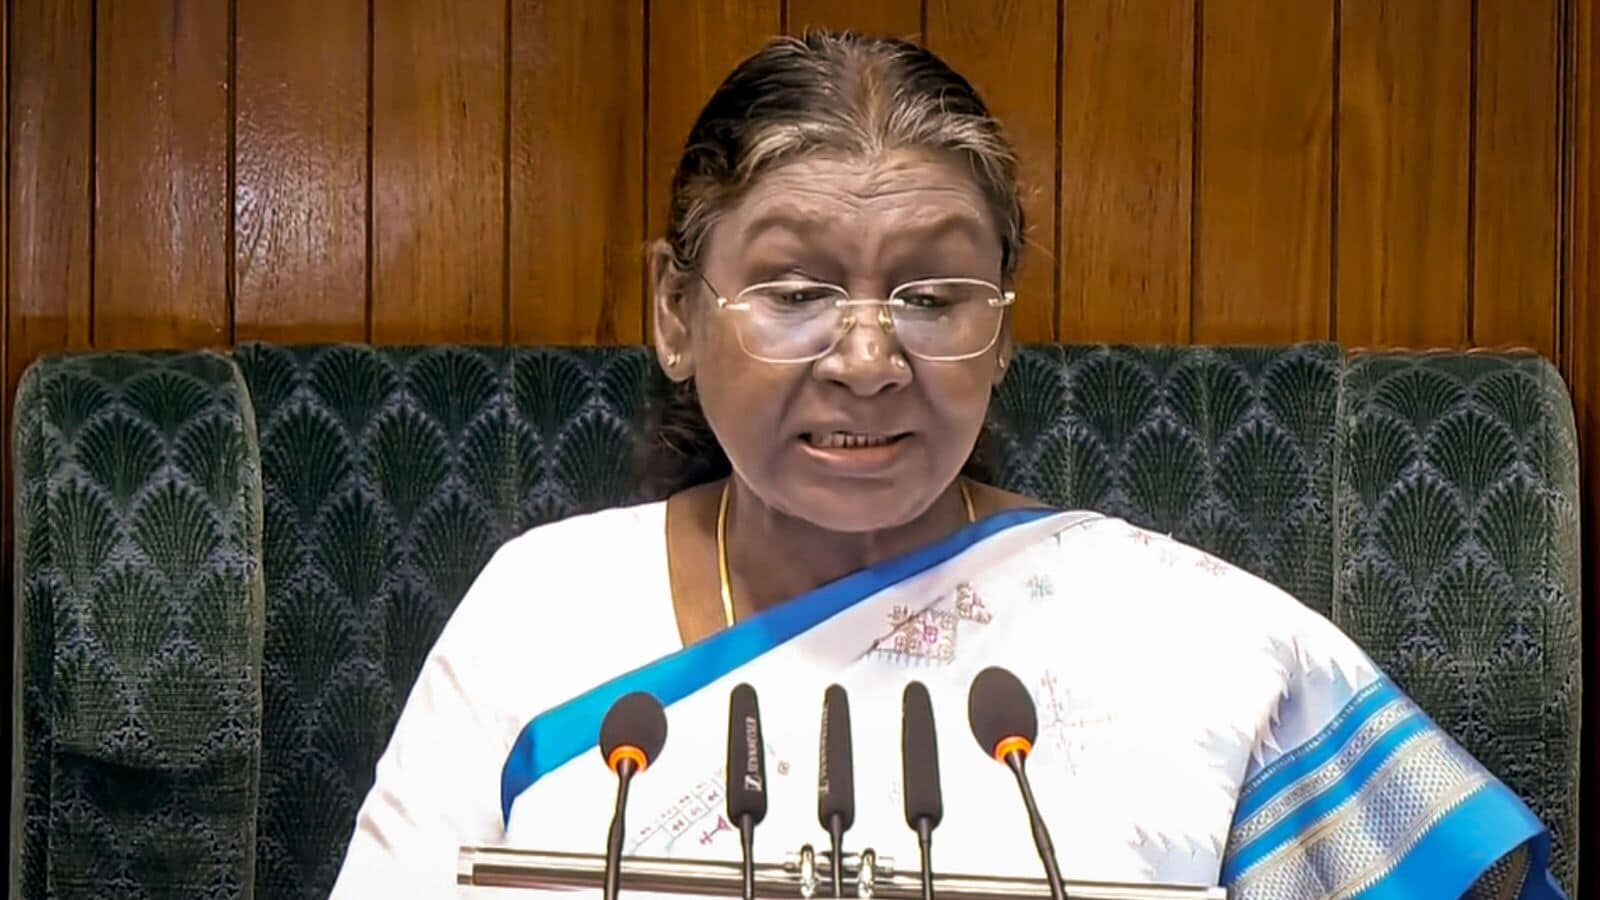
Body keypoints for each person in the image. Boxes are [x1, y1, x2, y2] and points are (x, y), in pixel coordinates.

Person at [332, 31, 1562, 899]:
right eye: (797, 287)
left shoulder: (1187, 637)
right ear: (674, 307)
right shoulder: (541, 609)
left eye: (931, 294)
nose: (868, 360)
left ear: (1003, 326)